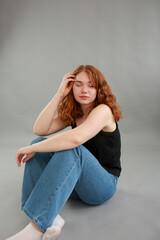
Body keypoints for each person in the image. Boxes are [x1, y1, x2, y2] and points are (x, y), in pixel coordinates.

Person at [6, 65, 122, 240]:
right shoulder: (74, 113)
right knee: (38, 143)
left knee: (72, 149)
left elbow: (76, 138)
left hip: (102, 186)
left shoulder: (103, 111)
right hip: (74, 185)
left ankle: (36, 229)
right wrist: (59, 94)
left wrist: (31, 149)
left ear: (99, 89)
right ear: (71, 87)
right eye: (78, 85)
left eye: (91, 85)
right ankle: (50, 218)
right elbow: (40, 129)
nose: (84, 90)